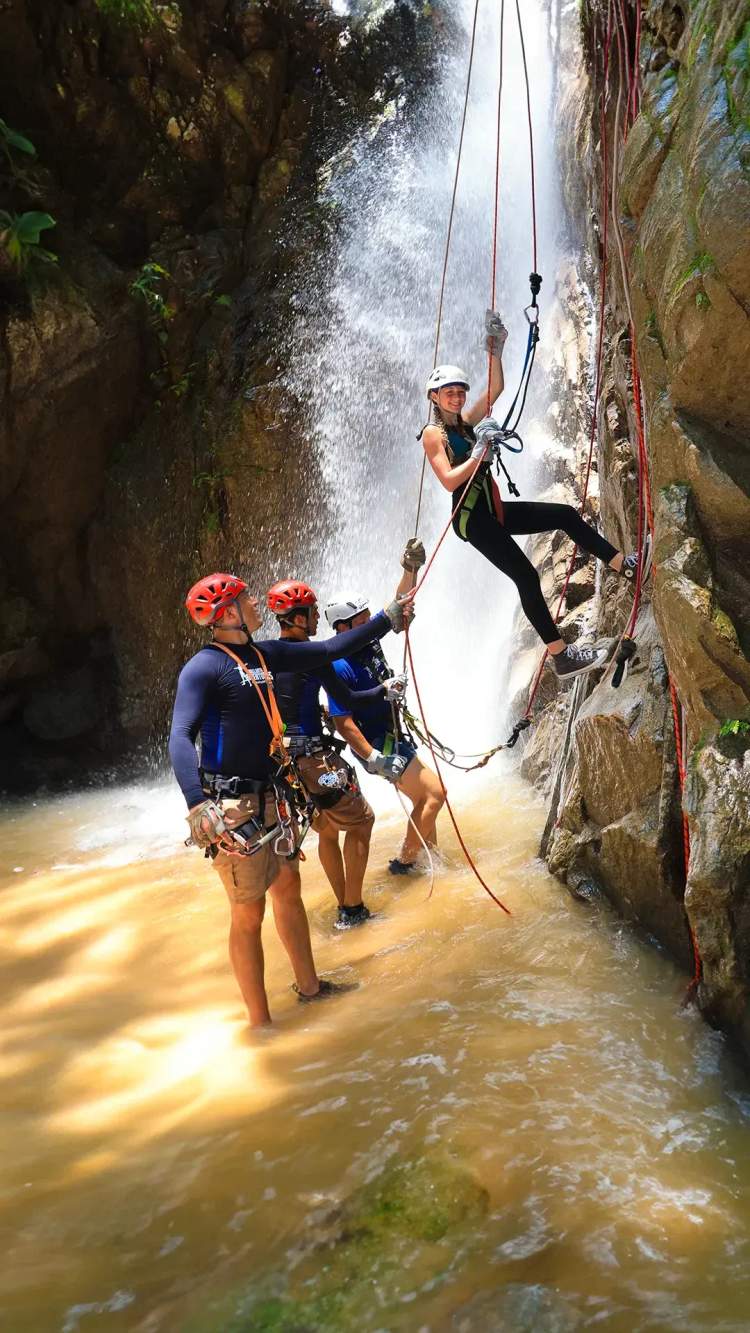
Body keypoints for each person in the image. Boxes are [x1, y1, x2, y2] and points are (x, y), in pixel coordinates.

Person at [169, 572, 410, 1027]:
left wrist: (387, 618)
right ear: (228, 613)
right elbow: (180, 735)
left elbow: (330, 649)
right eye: (246, 599)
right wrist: (196, 802)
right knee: (247, 911)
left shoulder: (266, 653)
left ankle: (311, 987)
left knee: (288, 889)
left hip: (274, 794)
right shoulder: (204, 667)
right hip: (233, 805)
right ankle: (260, 1024)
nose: (257, 604)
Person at [420, 312, 652, 679]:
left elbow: (495, 390)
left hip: (491, 510)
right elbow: (449, 481)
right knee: (527, 577)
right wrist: (480, 449)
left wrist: (496, 348)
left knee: (563, 515)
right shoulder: (434, 433)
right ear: (434, 397)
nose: (457, 396)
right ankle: (561, 656)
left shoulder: (464, 423)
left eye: (460, 391)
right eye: (450, 392)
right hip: (473, 520)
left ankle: (623, 564)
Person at [267, 579, 407, 930]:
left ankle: (345, 906)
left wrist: (382, 690)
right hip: (315, 760)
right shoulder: (311, 655)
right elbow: (351, 697)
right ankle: (353, 909)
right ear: (297, 618)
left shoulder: (267, 654)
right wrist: (385, 623)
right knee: (362, 821)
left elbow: (343, 698)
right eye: (312, 611)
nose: (318, 616)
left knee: (328, 829)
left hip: (285, 766)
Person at [324, 543, 446, 876]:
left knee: (423, 800)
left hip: (392, 734)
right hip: (377, 745)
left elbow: (397, 606)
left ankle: (428, 861)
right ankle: (403, 866)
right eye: (361, 619)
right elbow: (343, 722)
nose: (368, 622)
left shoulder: (367, 643)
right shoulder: (338, 665)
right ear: (343, 628)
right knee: (435, 793)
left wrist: (409, 567)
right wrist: (375, 758)